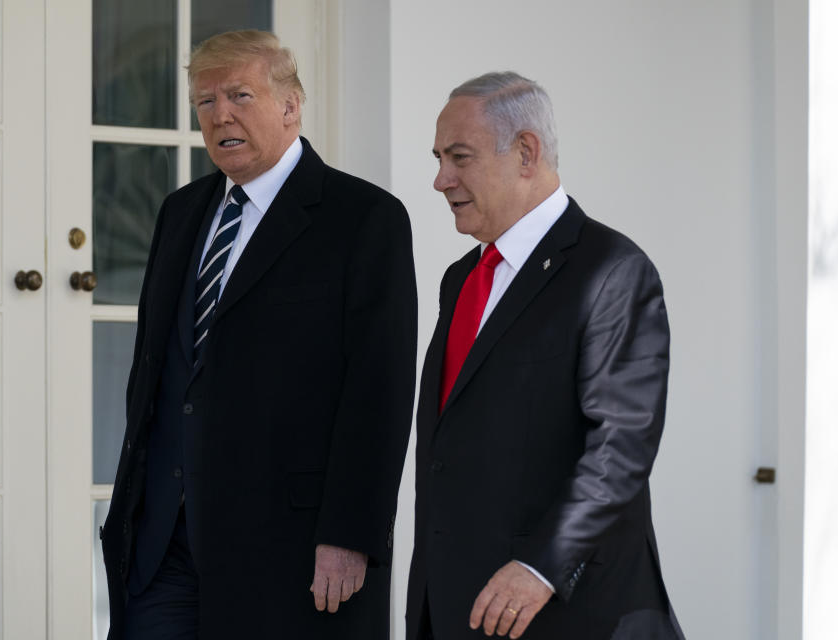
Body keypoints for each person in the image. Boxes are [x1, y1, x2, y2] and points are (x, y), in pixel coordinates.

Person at [101, 30, 417, 639]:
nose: (220, 115)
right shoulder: (181, 212)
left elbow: (379, 391)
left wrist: (350, 536)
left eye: (240, 95)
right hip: (162, 548)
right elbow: (158, 372)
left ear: (290, 106)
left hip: (289, 552)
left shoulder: (363, 218)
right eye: (205, 102)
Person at [406, 72, 684, 640]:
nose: (440, 179)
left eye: (459, 157)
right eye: (438, 158)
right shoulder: (460, 279)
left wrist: (540, 567)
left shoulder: (612, 270)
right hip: (457, 607)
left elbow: (621, 446)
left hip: (563, 612)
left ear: (527, 152)